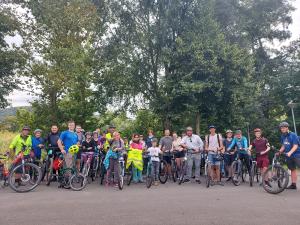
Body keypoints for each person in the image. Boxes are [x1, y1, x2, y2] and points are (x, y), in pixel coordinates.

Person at [278, 122, 300, 190]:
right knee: (292, 169)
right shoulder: (282, 136)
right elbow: (284, 145)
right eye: (281, 128)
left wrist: (290, 152)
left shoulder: (293, 135)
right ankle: (293, 185)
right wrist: (279, 151)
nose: (282, 129)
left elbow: (295, 145)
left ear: (287, 128)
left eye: (284, 127)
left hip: (297, 154)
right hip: (288, 156)